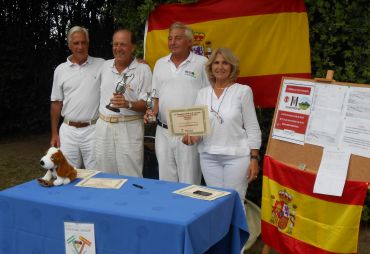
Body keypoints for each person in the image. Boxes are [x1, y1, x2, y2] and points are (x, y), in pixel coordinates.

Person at [182, 48, 261, 202]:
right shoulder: (202, 93)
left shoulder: (243, 91)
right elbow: (198, 128)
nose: (220, 67)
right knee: (215, 204)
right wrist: (191, 137)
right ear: (210, 67)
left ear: (232, 67)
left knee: (235, 202)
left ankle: (238, 228)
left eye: (225, 63)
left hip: (237, 157)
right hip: (208, 157)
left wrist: (254, 159)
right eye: (216, 63)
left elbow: (252, 127)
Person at [145, 22, 210, 184]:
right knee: (165, 181)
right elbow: (156, 97)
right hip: (163, 131)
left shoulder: (202, 63)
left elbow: (209, 97)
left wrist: (198, 130)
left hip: (188, 131)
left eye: (178, 38)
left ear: (190, 41)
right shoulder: (160, 64)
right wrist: (152, 112)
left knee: (189, 183)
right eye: (170, 38)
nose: (172, 42)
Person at [95, 29, 152, 177]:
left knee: (131, 175)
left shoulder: (143, 69)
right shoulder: (104, 66)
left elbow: (148, 104)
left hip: (129, 127)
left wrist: (128, 104)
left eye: (123, 44)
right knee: (103, 175)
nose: (118, 48)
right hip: (104, 127)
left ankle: (131, 200)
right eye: (115, 44)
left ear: (133, 47)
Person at [50, 26, 105, 169]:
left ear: (88, 43)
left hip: (93, 129)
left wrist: (136, 63)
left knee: (96, 174)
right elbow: (56, 103)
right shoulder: (60, 70)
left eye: (83, 42)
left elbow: (121, 67)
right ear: (69, 45)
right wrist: (55, 133)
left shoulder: (102, 65)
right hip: (68, 131)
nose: (80, 47)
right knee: (66, 172)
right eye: (76, 43)